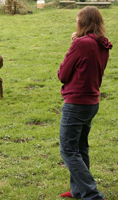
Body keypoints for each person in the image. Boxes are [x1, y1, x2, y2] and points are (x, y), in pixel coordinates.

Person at [57, 6, 112, 200]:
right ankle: (78, 190)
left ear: (84, 22)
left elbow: (63, 75)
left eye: (77, 20)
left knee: (68, 149)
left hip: (76, 103)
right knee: (80, 147)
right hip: (91, 102)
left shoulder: (81, 44)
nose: (76, 23)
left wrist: (72, 46)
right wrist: (77, 42)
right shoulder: (101, 44)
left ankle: (91, 194)